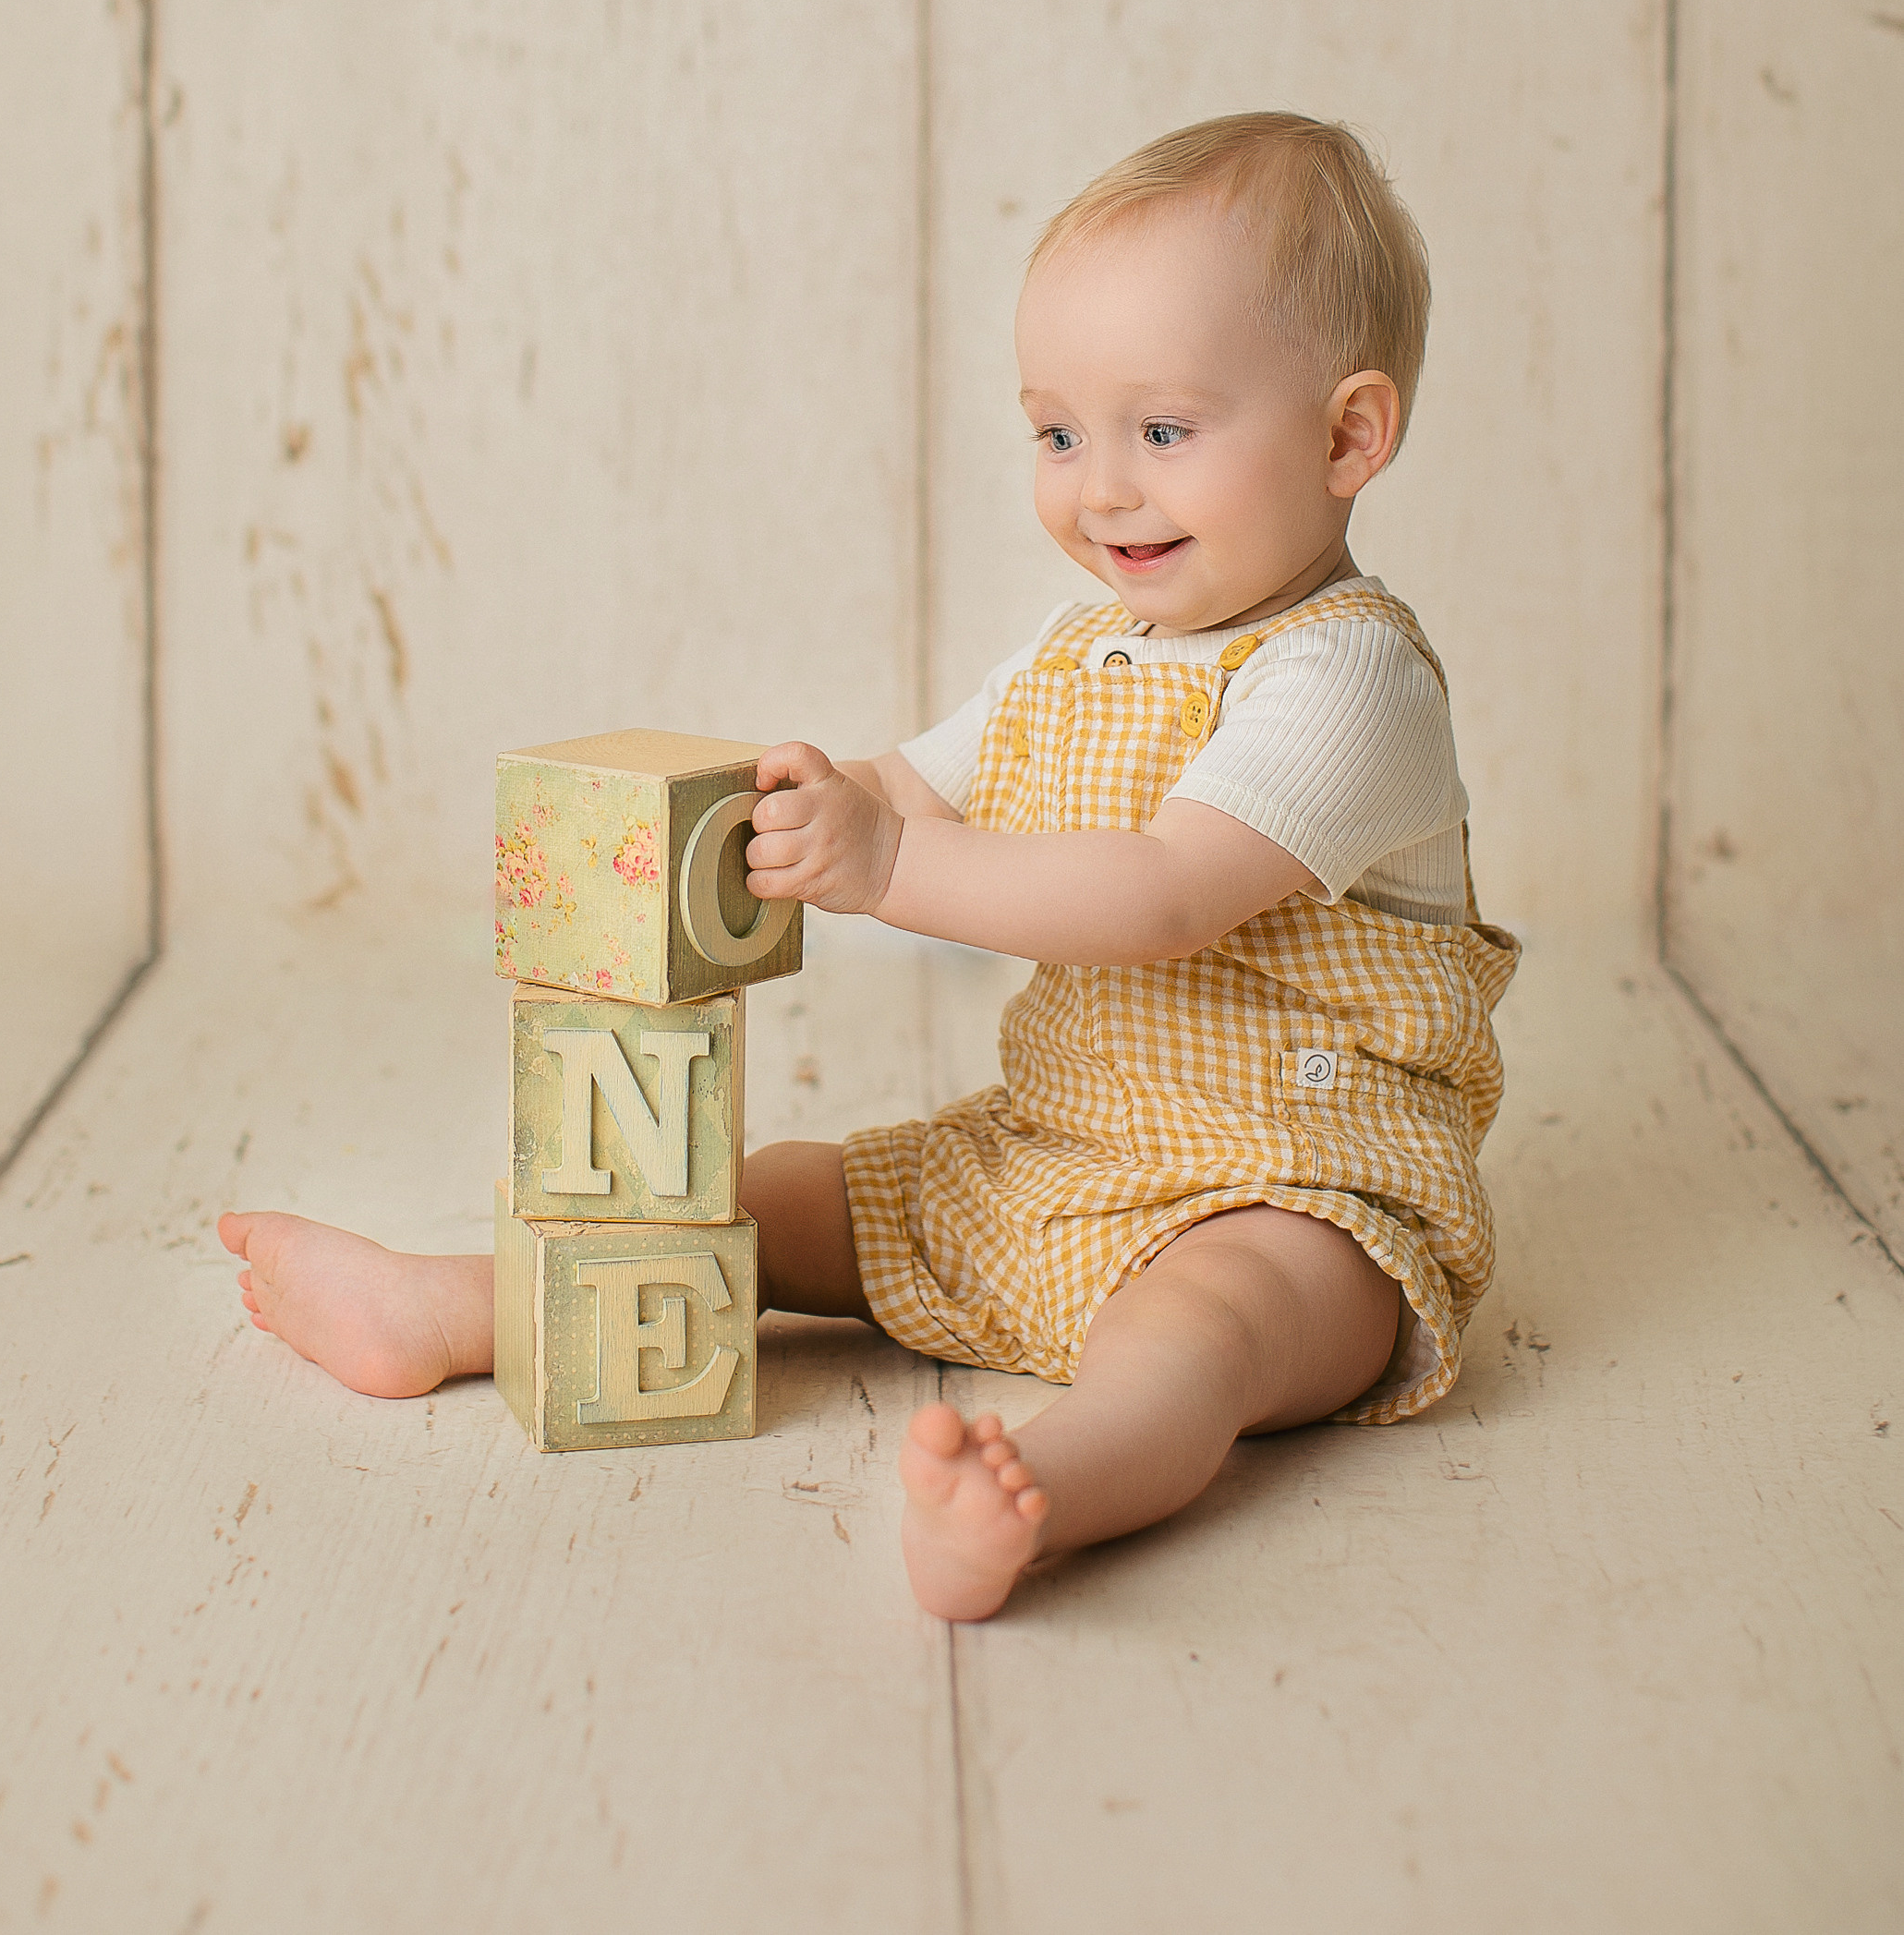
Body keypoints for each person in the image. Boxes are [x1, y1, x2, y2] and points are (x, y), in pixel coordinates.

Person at [222, 111, 1518, 1623]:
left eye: (1162, 431)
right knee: (774, 1196)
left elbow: (1159, 893)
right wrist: (798, 814)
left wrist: (889, 863)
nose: (1101, 490)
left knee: (1204, 1334)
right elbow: (917, 782)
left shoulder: (1346, 680)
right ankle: (455, 1308)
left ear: (1351, 434)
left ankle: (1044, 1491)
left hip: (1295, 1202)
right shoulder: (1076, 650)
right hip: (1056, 1160)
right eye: (1057, 432)